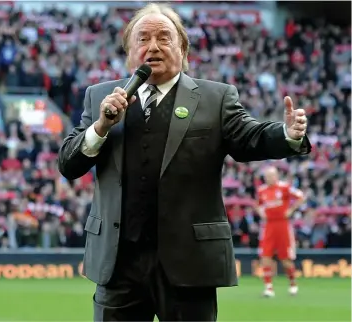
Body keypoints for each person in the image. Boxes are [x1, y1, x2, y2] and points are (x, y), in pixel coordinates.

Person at [57, 4, 311, 321]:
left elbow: (250, 138)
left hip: (189, 263)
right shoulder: (100, 96)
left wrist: (287, 133)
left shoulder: (214, 97)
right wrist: (101, 127)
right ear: (129, 50)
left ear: (183, 48)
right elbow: (68, 164)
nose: (153, 46)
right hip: (119, 263)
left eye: (164, 37)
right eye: (143, 38)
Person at [256, 166, 306, 298]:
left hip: (282, 225)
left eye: (271, 176)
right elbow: (259, 205)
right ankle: (269, 288)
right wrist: (261, 212)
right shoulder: (262, 190)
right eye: (267, 176)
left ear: (276, 176)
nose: (269, 178)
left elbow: (301, 196)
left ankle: (293, 284)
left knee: (285, 259)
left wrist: (291, 210)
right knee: (265, 257)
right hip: (268, 226)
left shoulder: (284, 187)